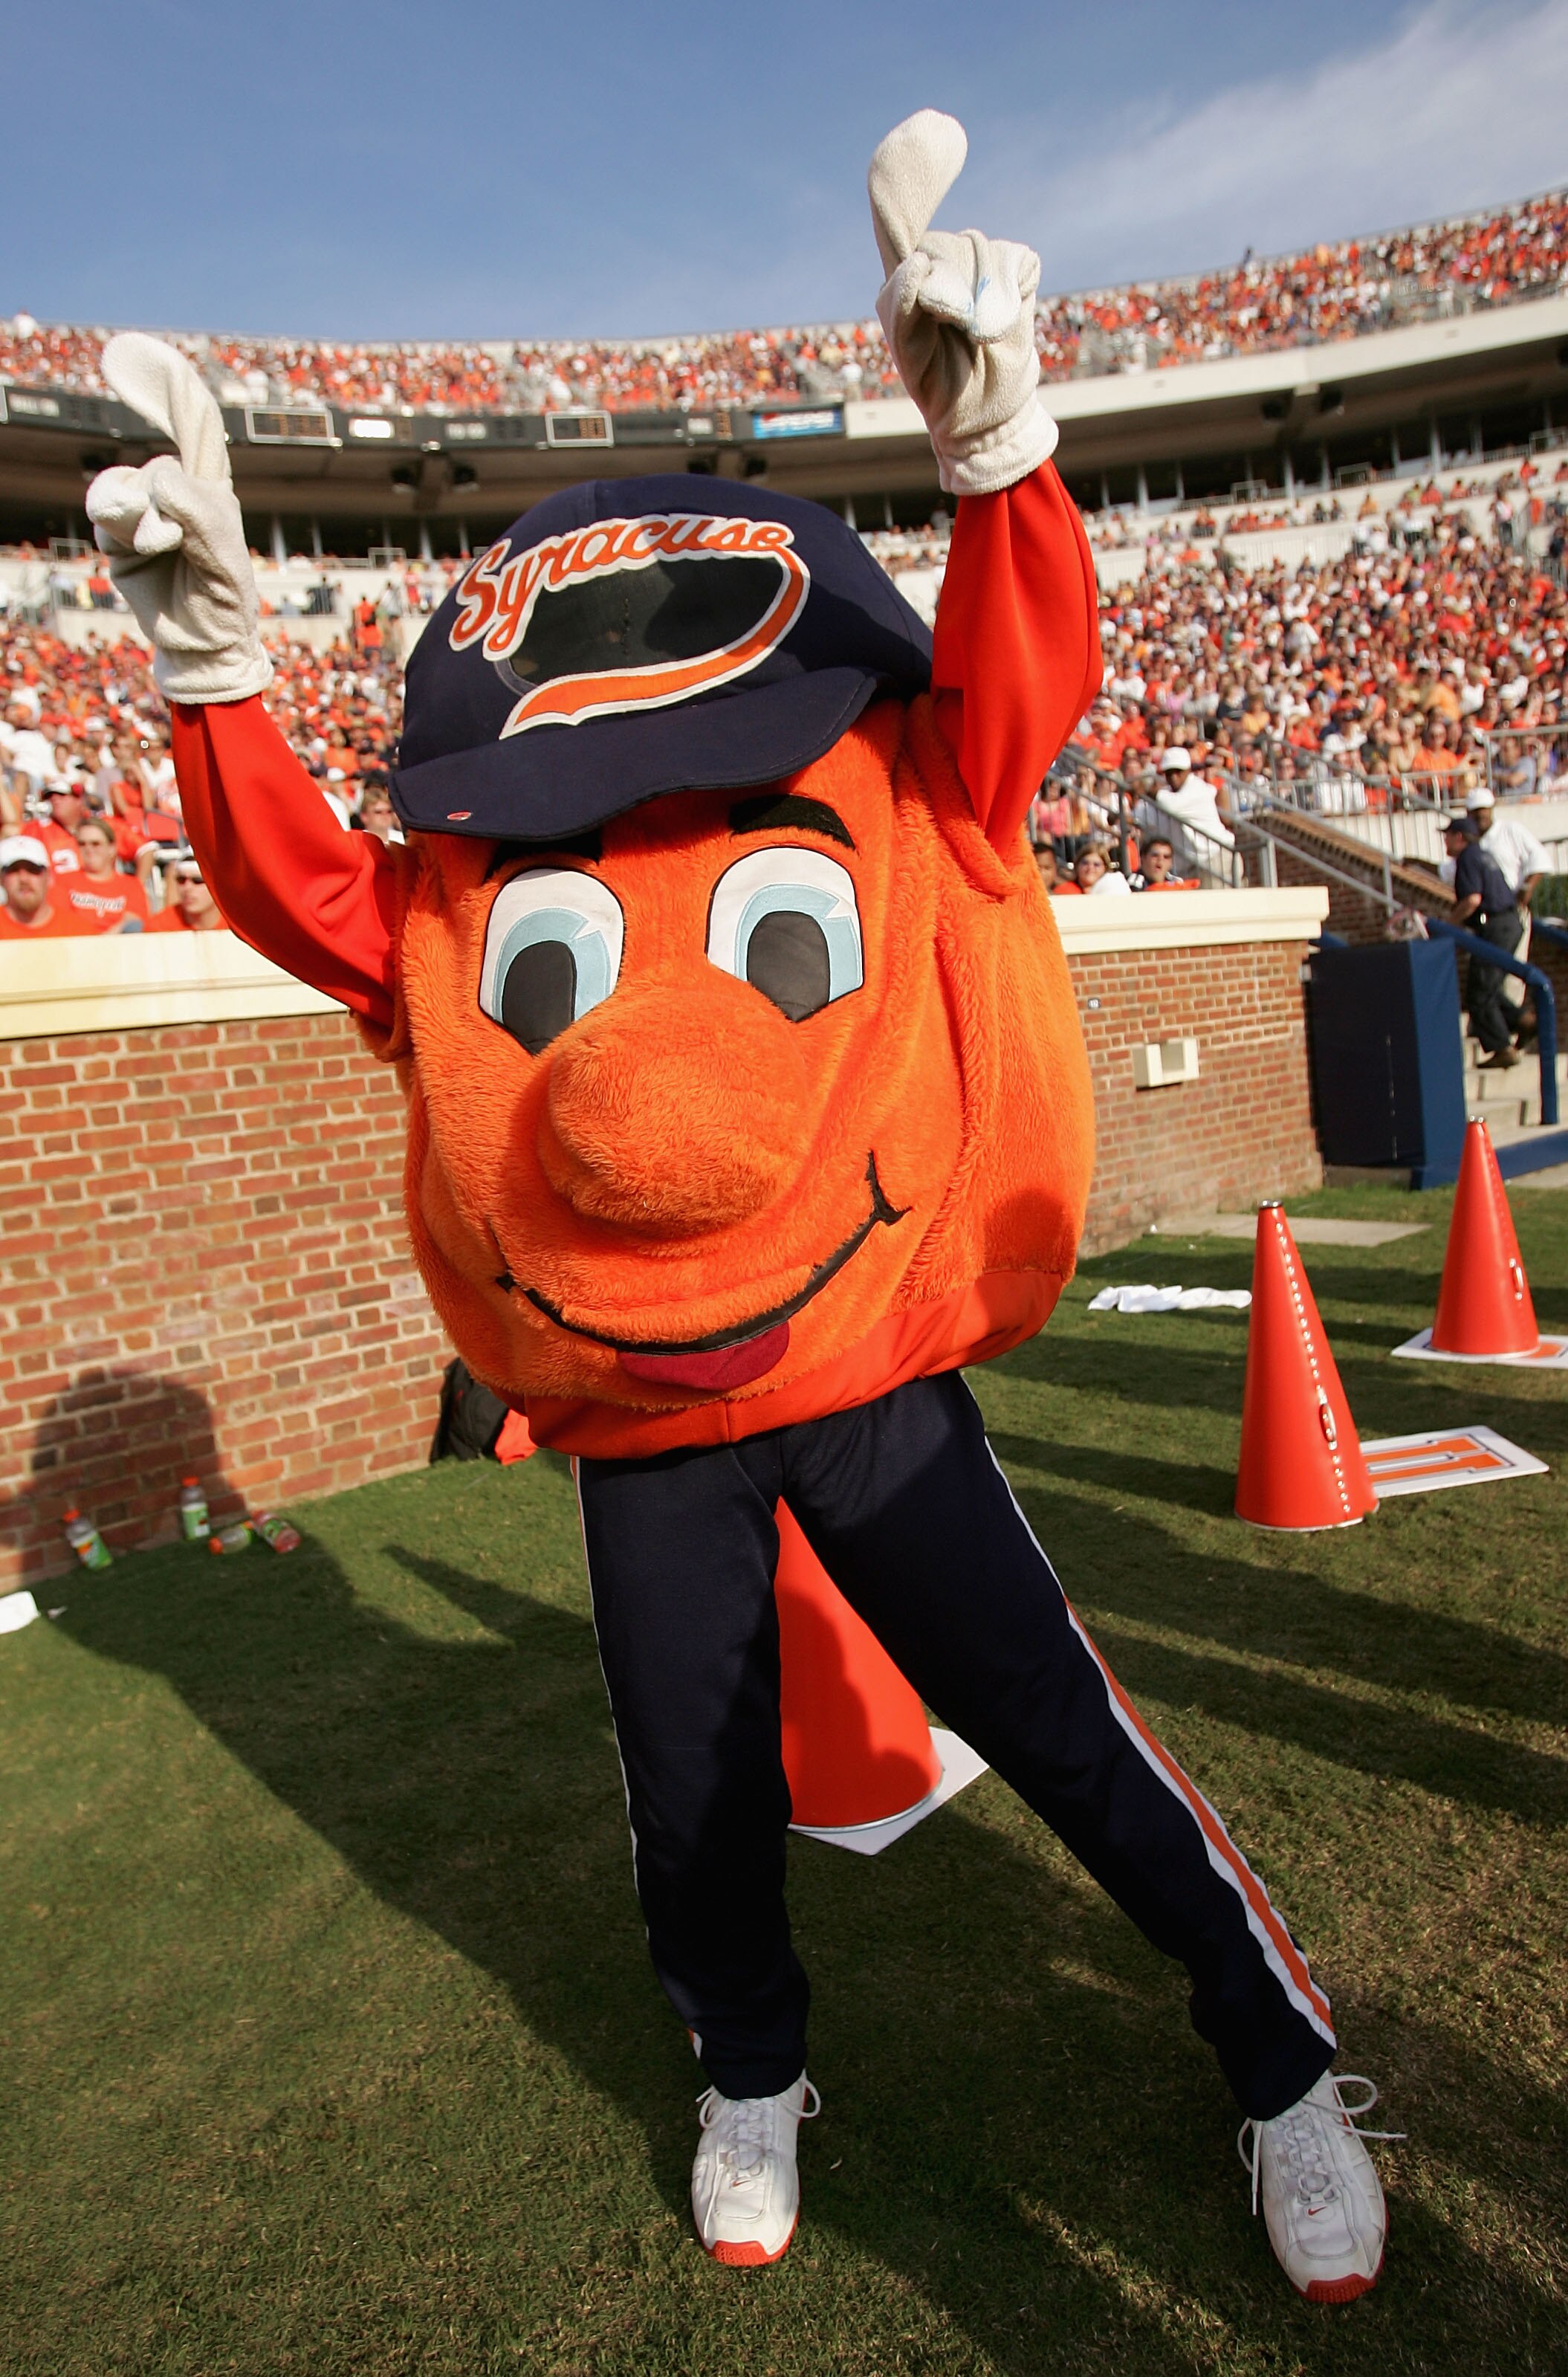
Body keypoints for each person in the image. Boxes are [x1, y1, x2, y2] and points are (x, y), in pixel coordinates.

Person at [88, 114, 1396, 2307]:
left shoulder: (863, 774)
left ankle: (1273, 2060)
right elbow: (330, 910)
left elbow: (1011, 703)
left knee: (1060, 1724)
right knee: (690, 1792)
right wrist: (218, 686)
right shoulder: (493, 864)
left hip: (862, 1369)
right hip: (643, 1411)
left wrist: (1000, 459)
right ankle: (751, 2062)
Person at [1445, 815, 1523, 1068]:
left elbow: (1472, 900)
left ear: (1459, 837)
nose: (1444, 841)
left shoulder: (1467, 857)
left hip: (1496, 926)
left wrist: (1448, 925)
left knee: (1479, 993)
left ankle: (1502, 1047)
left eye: (1447, 835)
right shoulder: (1483, 854)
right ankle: (1525, 1021)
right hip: (1509, 922)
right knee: (1490, 987)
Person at [1147, 747, 1234, 879]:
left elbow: (1171, 805)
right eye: (1169, 773)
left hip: (1215, 858)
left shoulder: (1197, 788)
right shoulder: (1168, 792)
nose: (1174, 777)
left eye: (1178, 771)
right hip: (1192, 865)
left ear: (1188, 770)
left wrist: (1146, 791)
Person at [62, 816, 149, 934]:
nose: (89, 849)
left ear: (112, 849)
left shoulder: (131, 885)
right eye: (82, 844)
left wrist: (103, 942)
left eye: (96, 844)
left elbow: (132, 922)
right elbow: (62, 921)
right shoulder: (63, 881)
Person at [0, 833, 90, 936]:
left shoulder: (79, 933)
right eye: (14, 870)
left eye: (33, 870)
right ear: (1, 878)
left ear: (49, 877)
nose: (23, 879)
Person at [146, 854, 227, 932]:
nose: (187, 888)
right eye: (181, 880)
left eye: (197, 881)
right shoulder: (159, 927)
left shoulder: (236, 924)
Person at [1132, 834, 1197, 890]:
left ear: (1171, 863)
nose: (1160, 860)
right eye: (1155, 856)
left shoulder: (1177, 882)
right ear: (1143, 858)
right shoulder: (1131, 884)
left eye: (1166, 857)